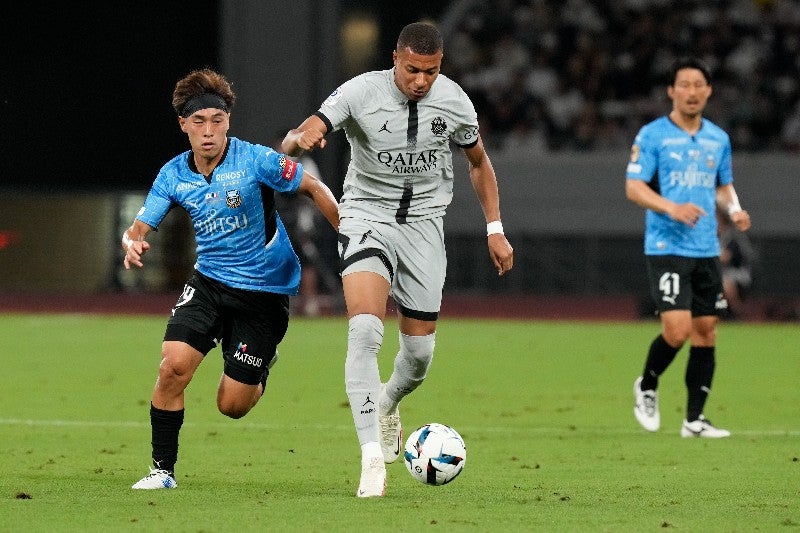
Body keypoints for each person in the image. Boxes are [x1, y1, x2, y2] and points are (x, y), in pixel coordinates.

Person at [282, 21, 514, 497]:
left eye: (429, 71)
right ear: (395, 58)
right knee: (365, 329)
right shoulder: (360, 92)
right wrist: (299, 138)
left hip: (426, 227)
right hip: (366, 217)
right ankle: (371, 460)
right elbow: (309, 128)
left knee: (418, 358)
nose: (420, 81)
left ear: (440, 66)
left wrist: (495, 228)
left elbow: (477, 163)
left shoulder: (454, 102)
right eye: (412, 70)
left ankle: (387, 404)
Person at [122, 68, 339, 489]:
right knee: (173, 367)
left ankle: (260, 369)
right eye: (199, 122)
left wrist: (349, 233)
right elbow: (141, 224)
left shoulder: (256, 159)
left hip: (263, 293)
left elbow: (313, 187)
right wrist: (132, 241)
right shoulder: (173, 174)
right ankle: (162, 472)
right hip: (209, 284)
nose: (209, 131)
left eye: (217, 121)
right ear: (183, 124)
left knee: (232, 406)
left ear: (228, 122)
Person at [625, 57, 751, 439]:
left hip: (706, 248)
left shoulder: (718, 138)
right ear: (672, 91)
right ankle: (647, 385)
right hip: (666, 245)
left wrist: (735, 208)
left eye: (699, 85)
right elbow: (634, 188)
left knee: (706, 331)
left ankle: (694, 420)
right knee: (677, 330)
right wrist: (672, 207)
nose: (692, 92)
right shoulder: (652, 136)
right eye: (685, 84)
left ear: (709, 91)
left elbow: (722, 184)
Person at [717, 210, 757, 319]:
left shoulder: (733, 236)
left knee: (725, 281)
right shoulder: (712, 237)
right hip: (719, 272)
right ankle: (717, 313)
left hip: (738, 272)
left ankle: (737, 313)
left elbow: (726, 257)